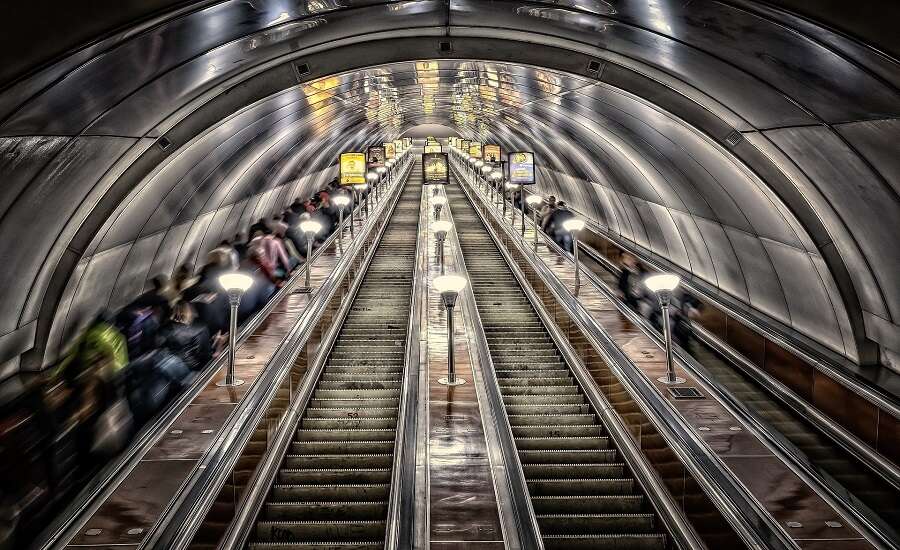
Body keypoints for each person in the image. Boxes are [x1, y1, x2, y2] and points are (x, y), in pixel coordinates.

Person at [158, 301, 212, 372]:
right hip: (193, 368)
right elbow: (205, 355)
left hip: (172, 367)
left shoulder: (165, 328)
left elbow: (160, 346)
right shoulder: (200, 329)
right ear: (190, 312)